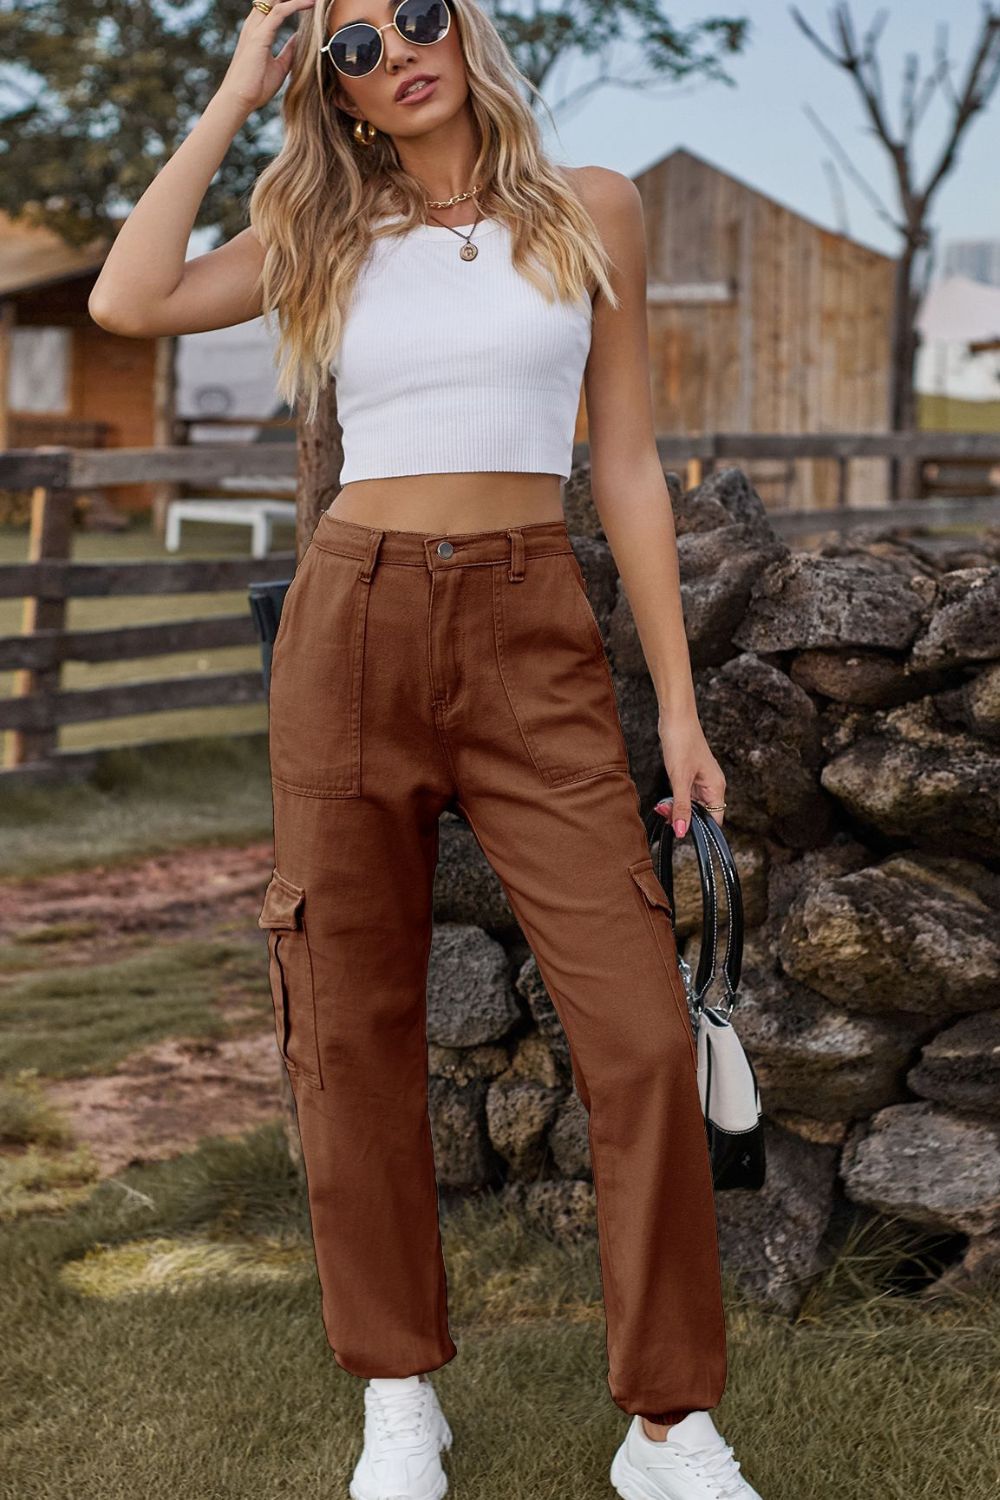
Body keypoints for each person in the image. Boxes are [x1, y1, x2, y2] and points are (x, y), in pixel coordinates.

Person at [89, 3, 763, 1497]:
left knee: (643, 1035)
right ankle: (399, 1393)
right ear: (328, 92)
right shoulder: (323, 228)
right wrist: (230, 90)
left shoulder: (594, 208)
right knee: (349, 1027)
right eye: (350, 46)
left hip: (532, 626)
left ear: (463, 26)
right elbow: (129, 305)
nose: (396, 47)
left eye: (416, 14)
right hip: (353, 630)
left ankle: (667, 1426)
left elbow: (630, 461)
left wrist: (676, 707)